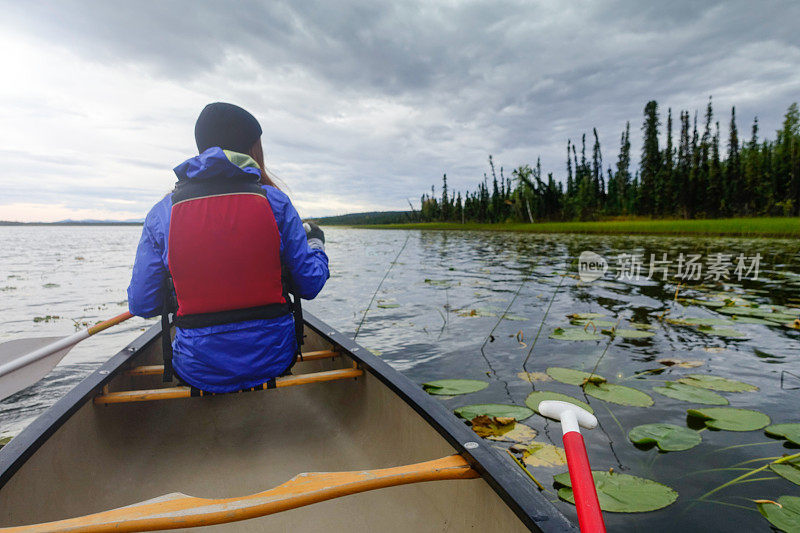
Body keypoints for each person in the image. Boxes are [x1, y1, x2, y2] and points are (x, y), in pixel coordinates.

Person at [127, 102, 329, 393]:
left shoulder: (162, 212)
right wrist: (316, 244)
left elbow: (142, 304)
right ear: (252, 149)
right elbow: (309, 284)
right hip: (275, 358)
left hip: (197, 367)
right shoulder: (275, 201)